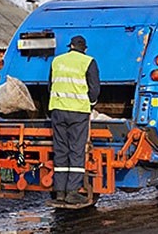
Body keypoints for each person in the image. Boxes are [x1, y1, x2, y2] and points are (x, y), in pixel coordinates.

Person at [48, 35, 100, 205]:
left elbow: (50, 86)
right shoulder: (88, 61)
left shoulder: (57, 61)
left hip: (57, 110)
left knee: (61, 150)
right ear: (84, 48)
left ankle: (60, 192)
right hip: (78, 112)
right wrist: (90, 104)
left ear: (69, 46)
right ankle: (72, 191)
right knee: (76, 150)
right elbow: (94, 89)